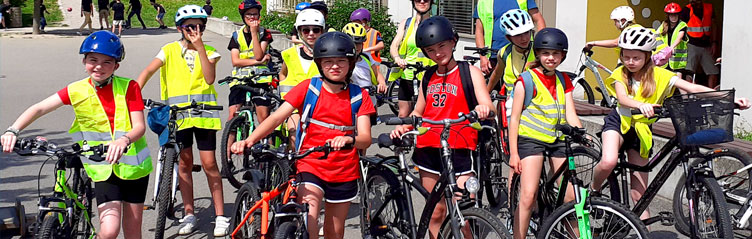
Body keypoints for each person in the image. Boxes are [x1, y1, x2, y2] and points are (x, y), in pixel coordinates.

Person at [1, 31, 152, 239]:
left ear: (116, 66)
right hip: (103, 168)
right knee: (109, 231)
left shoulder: (129, 87)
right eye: (93, 60)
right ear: (84, 61)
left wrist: (124, 139)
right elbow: (40, 108)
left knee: (133, 232)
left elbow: (139, 126)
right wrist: (13, 130)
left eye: (107, 62)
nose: (99, 66)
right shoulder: (76, 90)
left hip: (134, 168)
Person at [590, 27, 750, 221]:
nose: (630, 62)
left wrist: (728, 100)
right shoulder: (620, 74)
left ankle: (643, 231)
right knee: (608, 161)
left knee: (640, 195)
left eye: (636, 58)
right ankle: (593, 190)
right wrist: (641, 104)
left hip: (642, 129)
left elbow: (692, 87)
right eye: (626, 57)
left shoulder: (660, 75)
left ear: (648, 56)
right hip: (620, 122)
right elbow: (622, 98)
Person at [230, 31, 376, 239]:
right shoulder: (309, 89)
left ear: (350, 63)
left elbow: (365, 137)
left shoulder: (359, 96)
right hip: (310, 165)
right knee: (309, 217)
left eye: (341, 61)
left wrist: (349, 139)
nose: (335, 66)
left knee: (335, 230)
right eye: (328, 61)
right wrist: (249, 139)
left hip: (344, 170)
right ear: (319, 64)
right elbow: (276, 118)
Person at [390, 16, 494, 237]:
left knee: (464, 211)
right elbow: (419, 111)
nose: (437, 53)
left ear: (453, 42)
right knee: (436, 210)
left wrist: (484, 108)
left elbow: (487, 103)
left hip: (461, 147)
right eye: (430, 50)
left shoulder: (470, 72)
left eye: (442, 45)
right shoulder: (427, 77)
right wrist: (406, 126)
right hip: (428, 147)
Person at [135, 5, 228, 236]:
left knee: (209, 164)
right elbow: (147, 71)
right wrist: (132, 97)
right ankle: (189, 213)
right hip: (178, 116)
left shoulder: (210, 50)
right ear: (180, 28)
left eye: (200, 26)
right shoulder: (168, 50)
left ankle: (220, 216)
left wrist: (200, 49)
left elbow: (209, 78)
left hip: (204, 115)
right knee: (185, 164)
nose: (196, 31)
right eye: (190, 27)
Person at [507, 28, 582, 239]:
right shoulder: (526, 80)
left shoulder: (564, 80)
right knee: (529, 196)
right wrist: (514, 153)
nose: (551, 58)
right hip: (531, 140)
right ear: (538, 54)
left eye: (556, 54)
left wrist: (581, 134)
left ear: (562, 56)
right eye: (546, 53)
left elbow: (571, 113)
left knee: (569, 197)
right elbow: (514, 119)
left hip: (556, 139)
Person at [225, 0, 274, 156]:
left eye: (255, 14)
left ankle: (268, 152)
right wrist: (258, 61)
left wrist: (254, 32)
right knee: (232, 116)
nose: (252, 17)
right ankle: (227, 158)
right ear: (243, 16)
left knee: (263, 118)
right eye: (249, 14)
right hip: (239, 80)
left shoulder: (264, 33)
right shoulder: (236, 35)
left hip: (260, 79)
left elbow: (259, 53)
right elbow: (236, 61)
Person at [278, 8, 325, 145]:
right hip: (294, 107)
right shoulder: (290, 54)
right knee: (295, 130)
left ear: (322, 31)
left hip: (320, 107)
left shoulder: (327, 55)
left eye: (315, 30)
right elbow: (283, 74)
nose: (311, 34)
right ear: (299, 32)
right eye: (306, 30)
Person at [388, 0, 436, 118]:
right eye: (417, 0)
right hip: (408, 75)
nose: (422, 1)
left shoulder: (436, 23)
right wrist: (397, 58)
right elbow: (394, 46)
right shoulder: (407, 23)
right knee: (403, 115)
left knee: (426, 116)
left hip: (429, 78)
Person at [473, 0, 544, 75]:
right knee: (495, 83)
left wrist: (541, 46)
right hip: (493, 55)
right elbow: (479, 31)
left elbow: (538, 20)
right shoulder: (483, 2)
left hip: (524, 53)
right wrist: (482, 56)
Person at [487, 9, 536, 99]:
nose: (524, 38)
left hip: (533, 101)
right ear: (508, 37)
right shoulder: (505, 52)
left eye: (526, 32)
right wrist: (486, 94)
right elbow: (497, 73)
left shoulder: (538, 51)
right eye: (517, 35)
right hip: (510, 100)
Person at [682, 0, 720, 89]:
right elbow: (681, 28)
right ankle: (690, 95)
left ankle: (712, 94)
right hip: (691, 45)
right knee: (689, 72)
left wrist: (714, 42)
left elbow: (714, 25)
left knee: (713, 71)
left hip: (706, 45)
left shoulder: (709, 8)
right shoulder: (686, 10)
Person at [342, 22, 386, 93]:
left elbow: (377, 74)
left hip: (369, 96)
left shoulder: (366, 57)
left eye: (359, 43)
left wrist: (382, 83)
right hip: (352, 97)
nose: (356, 47)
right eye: (353, 43)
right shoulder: (341, 61)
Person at [654, 2, 690, 80]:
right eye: (671, 15)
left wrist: (671, 48)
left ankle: (685, 93)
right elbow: (656, 35)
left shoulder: (682, 25)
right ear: (668, 16)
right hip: (665, 59)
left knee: (679, 82)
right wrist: (661, 48)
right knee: (664, 81)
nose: (674, 17)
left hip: (677, 61)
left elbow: (679, 38)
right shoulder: (664, 25)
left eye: (675, 15)